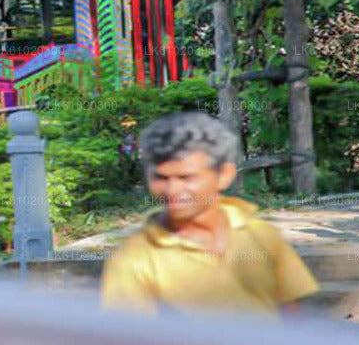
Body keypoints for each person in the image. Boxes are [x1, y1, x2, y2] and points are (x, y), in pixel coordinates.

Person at [101, 112, 319, 319]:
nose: (172, 190)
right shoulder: (134, 258)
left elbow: (291, 316)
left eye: (186, 177)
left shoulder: (262, 235)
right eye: (161, 178)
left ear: (224, 175)